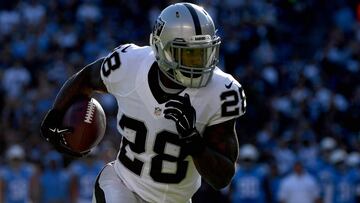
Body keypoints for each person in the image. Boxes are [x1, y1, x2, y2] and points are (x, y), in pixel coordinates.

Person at [40, 2, 246, 203]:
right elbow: (86, 78)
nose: (199, 63)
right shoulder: (129, 64)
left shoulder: (221, 92)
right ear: (161, 47)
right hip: (122, 184)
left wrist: (193, 140)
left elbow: (222, 178)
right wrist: (56, 115)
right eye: (189, 54)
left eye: (203, 52)